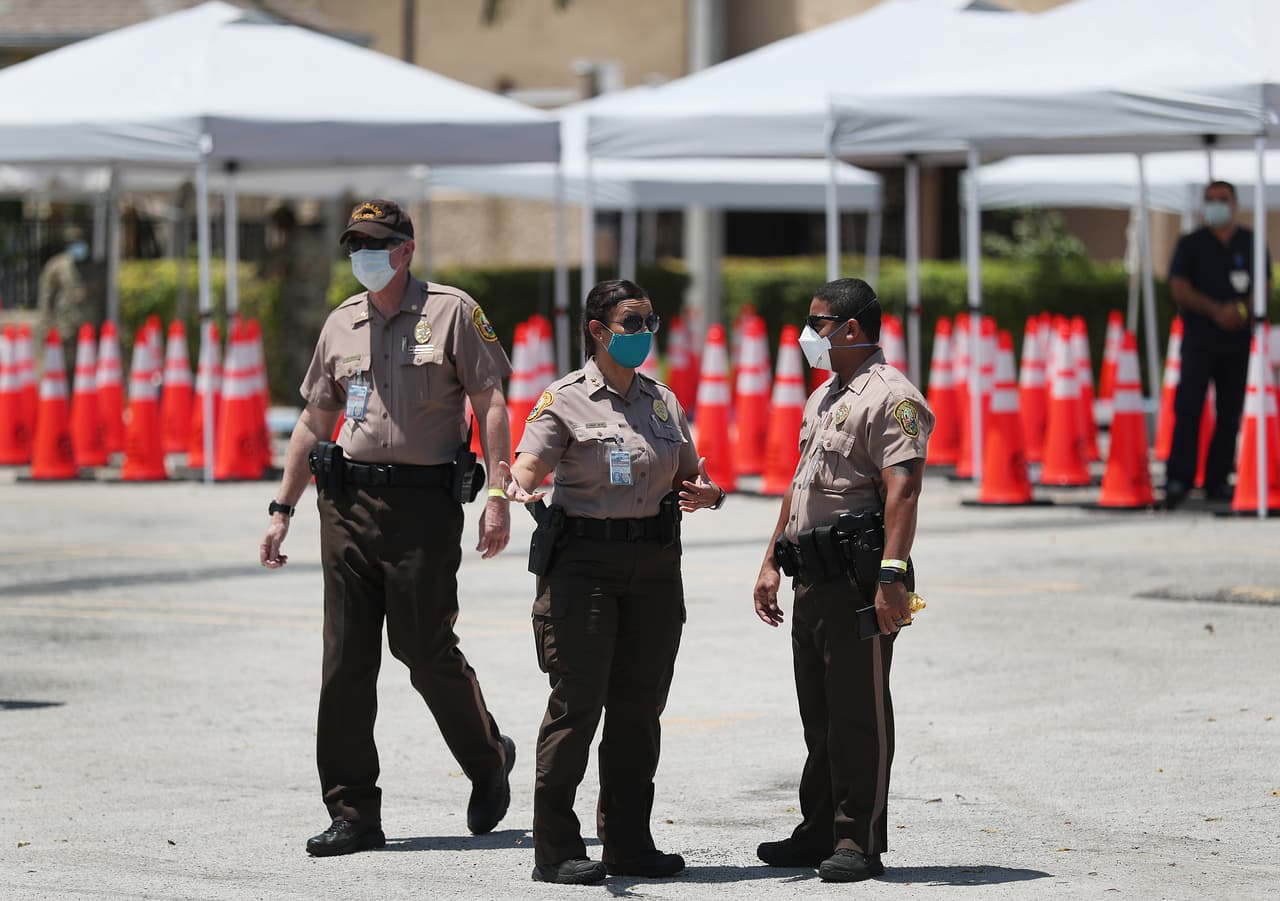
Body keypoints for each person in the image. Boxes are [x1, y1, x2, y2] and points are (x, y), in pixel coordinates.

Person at [259, 199, 517, 857]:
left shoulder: (452, 312)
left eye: (375, 243)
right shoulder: (341, 322)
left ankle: (488, 758)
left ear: (405, 249)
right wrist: (281, 508)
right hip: (345, 504)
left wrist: (497, 490)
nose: (363, 256)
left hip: (424, 506)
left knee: (423, 648)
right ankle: (353, 811)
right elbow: (316, 420)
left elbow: (490, 400)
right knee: (345, 658)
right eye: (355, 244)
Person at [500, 279, 725, 885]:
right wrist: (517, 485)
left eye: (650, 320)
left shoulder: (662, 402)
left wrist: (712, 494)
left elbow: (693, 474)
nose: (645, 332)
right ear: (598, 331)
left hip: (654, 568)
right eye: (632, 321)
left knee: (638, 711)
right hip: (584, 568)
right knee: (576, 707)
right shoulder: (564, 399)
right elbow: (529, 463)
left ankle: (628, 843)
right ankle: (557, 848)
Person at [752, 278, 932, 884]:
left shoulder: (891, 397)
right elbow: (800, 484)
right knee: (820, 711)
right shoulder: (826, 396)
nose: (809, 335)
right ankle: (820, 827)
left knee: (860, 710)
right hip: (812, 574)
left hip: (860, 577)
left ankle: (858, 837)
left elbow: (903, 492)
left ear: (851, 329)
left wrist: (892, 578)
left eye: (818, 322)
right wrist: (772, 559)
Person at [1164, 180, 1272, 507]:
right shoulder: (1191, 243)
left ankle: (1218, 479)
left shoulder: (1251, 242)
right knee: (1188, 408)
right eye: (1210, 200)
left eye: (1222, 199)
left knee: (1230, 412)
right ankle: (1178, 478)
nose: (1216, 205)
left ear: (1235, 203)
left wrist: (1240, 311)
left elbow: (1263, 286)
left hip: (1238, 342)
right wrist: (1216, 310)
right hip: (1199, 339)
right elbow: (1179, 286)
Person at [37, 225, 97, 364]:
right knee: (63, 368)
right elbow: (46, 297)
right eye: (73, 243)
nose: (77, 247)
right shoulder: (57, 266)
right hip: (65, 328)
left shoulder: (95, 267)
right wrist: (46, 325)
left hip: (89, 329)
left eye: (80, 242)